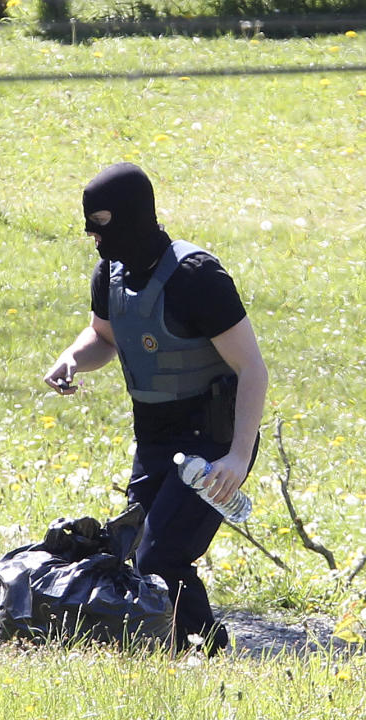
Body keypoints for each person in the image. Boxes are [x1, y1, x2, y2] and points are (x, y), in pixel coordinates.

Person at [44, 162, 268, 654]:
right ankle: (169, 650)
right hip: (156, 439)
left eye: (102, 223)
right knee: (132, 551)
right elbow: (103, 337)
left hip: (212, 440)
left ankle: (206, 650)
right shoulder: (111, 274)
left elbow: (253, 370)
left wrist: (235, 457)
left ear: (133, 216)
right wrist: (72, 360)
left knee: (162, 555)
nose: (95, 237)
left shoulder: (197, 277)